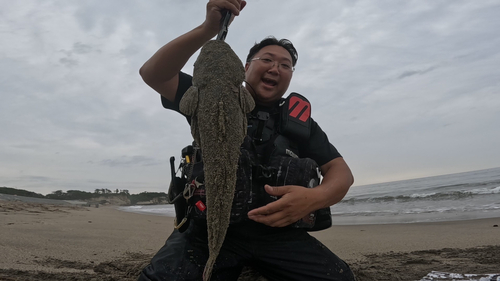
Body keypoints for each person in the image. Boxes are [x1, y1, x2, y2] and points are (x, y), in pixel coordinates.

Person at [137, 1, 356, 280]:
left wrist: (315, 198)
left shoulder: (300, 124)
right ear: (245, 66)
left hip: (277, 236)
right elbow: (153, 73)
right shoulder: (206, 93)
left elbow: (342, 173)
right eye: (267, 59)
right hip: (204, 232)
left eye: (285, 65)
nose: (276, 68)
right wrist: (208, 29)